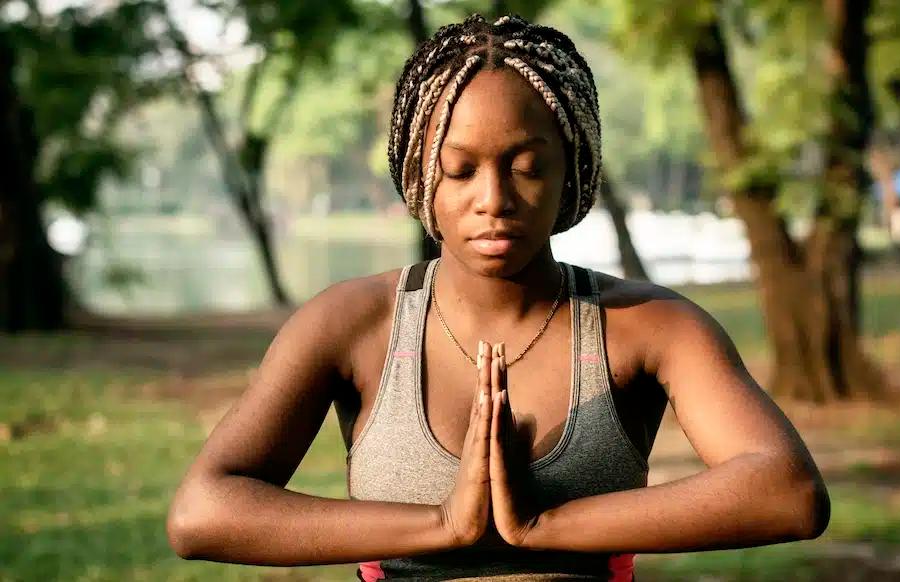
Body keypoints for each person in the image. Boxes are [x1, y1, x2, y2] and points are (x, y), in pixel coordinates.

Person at [166, 13, 830, 581]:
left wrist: (546, 525)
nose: (494, 201)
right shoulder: (353, 325)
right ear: (420, 173)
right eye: (460, 170)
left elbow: (789, 492)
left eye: (527, 165)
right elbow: (202, 513)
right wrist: (443, 525)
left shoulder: (649, 329)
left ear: (574, 166)